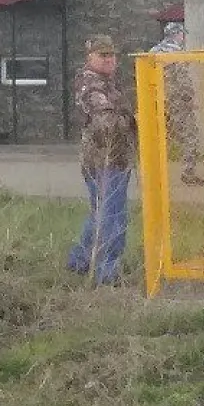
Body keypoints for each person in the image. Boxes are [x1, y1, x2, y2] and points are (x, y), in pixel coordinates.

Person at [69, 35, 137, 285]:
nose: (109, 59)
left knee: (101, 213)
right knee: (112, 216)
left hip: (116, 158)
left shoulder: (108, 82)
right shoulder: (90, 85)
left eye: (112, 55)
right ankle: (108, 272)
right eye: (103, 55)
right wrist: (135, 121)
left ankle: (79, 261)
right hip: (104, 159)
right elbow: (106, 121)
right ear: (90, 57)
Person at [149, 22, 204, 185]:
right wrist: (189, 99)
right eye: (182, 34)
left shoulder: (153, 51)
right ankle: (188, 172)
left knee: (157, 137)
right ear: (177, 34)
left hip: (156, 99)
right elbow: (182, 78)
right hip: (177, 100)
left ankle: (154, 172)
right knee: (190, 135)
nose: (183, 38)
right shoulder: (177, 52)